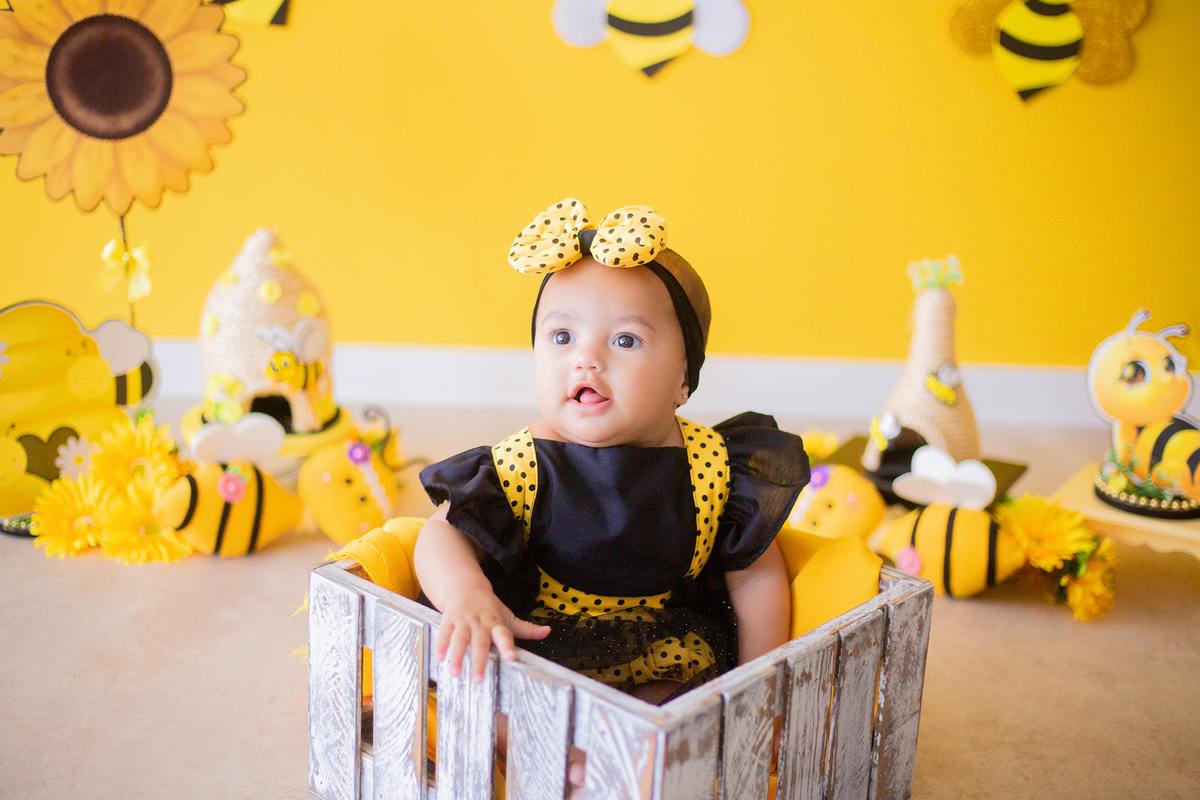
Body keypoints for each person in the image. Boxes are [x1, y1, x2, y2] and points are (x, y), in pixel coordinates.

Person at [413, 198, 808, 791]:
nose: (586, 359)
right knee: (490, 685)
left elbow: (755, 573)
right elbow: (441, 533)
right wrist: (468, 594)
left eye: (625, 341)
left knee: (678, 712)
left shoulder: (716, 467)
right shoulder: (526, 462)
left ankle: (637, 761)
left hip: (662, 639)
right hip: (545, 637)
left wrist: (755, 679)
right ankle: (546, 756)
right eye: (562, 336)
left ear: (683, 378)